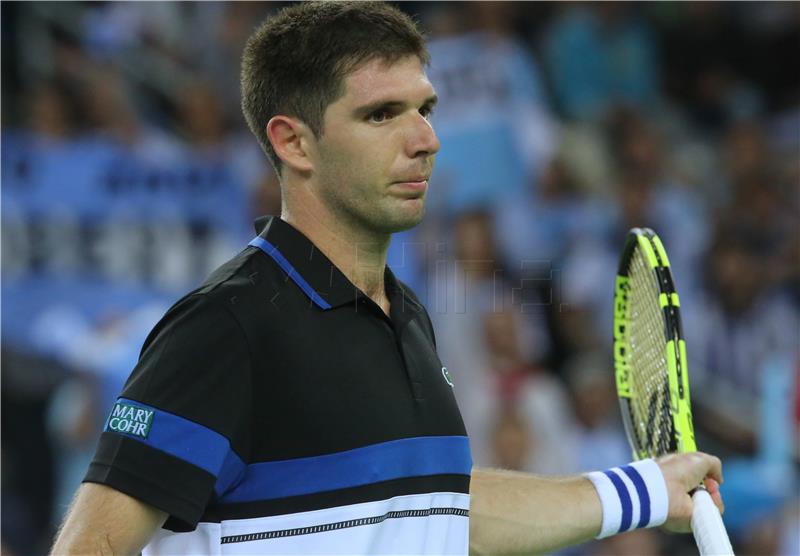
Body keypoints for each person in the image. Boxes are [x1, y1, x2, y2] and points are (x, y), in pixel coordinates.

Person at [50, 3, 725, 555]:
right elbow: (93, 546)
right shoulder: (225, 327)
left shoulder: (408, 317)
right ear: (294, 142)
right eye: (381, 114)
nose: (425, 138)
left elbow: (441, 510)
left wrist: (641, 492)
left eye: (425, 108)